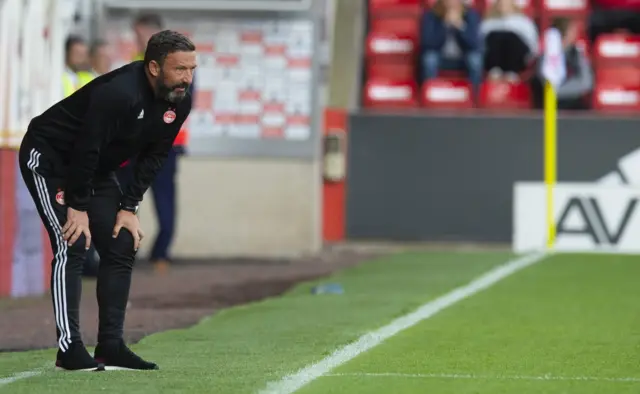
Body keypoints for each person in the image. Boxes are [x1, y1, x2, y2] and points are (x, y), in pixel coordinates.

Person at [18, 30, 196, 371]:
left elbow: (155, 156)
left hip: (94, 170)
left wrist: (128, 208)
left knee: (122, 241)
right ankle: (69, 350)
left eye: (192, 69)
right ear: (154, 67)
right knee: (72, 240)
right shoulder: (119, 93)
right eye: (180, 69)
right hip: (52, 160)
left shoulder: (179, 100)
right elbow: (87, 148)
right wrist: (78, 207)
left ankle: (110, 346)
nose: (187, 78)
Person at [117, 13, 190, 274]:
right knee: (125, 199)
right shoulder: (137, 62)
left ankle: (161, 254)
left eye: (139, 35)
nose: (135, 40)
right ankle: (123, 251)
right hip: (134, 146)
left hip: (164, 146)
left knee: (164, 201)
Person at [530, 17, 593, 110]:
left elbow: (586, 82)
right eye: (573, 30)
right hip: (548, 106)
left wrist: (559, 91)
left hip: (573, 105)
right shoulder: (546, 55)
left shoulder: (577, 54)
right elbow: (545, 83)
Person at [420, 0, 483, 91]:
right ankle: (430, 93)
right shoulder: (431, 15)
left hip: (462, 58)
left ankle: (474, 95)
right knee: (429, 59)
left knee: (475, 60)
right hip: (441, 57)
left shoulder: (471, 15)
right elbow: (428, 43)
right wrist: (444, 25)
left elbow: (474, 44)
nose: (451, 2)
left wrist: (460, 26)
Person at [480, 0, 538, 81]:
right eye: (501, 3)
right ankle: (494, 71)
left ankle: (511, 73)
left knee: (511, 37)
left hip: (517, 60)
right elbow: (481, 43)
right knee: (495, 36)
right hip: (493, 59)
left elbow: (532, 45)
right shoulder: (488, 22)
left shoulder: (524, 22)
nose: (503, 6)